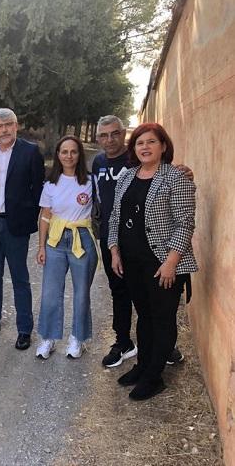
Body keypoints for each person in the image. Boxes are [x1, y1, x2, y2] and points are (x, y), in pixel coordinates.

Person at [108, 122, 197, 401]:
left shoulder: (176, 177)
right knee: (144, 316)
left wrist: (171, 261)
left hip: (163, 264)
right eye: (139, 143)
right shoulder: (127, 176)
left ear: (163, 146)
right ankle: (143, 366)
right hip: (133, 263)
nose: (145, 147)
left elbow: (185, 224)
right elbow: (114, 217)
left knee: (162, 318)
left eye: (151, 142)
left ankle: (154, 377)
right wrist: (114, 250)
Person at [93, 115, 187, 368]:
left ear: (124, 134)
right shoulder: (98, 162)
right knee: (120, 292)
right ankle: (123, 342)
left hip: (150, 244)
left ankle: (165, 348)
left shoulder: (139, 160)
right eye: (103, 135)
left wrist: (184, 171)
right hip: (113, 238)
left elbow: (167, 182)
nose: (109, 139)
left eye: (114, 133)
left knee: (158, 301)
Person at [0, 108, 45, 351]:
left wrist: (29, 217)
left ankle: (24, 329)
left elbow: (38, 191)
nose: (4, 130)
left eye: (8, 124)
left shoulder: (30, 151)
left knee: (19, 278)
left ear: (16, 125)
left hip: (14, 225)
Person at [35, 136, 98, 359]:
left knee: (81, 294)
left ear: (79, 154)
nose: (69, 156)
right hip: (56, 240)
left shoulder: (91, 182)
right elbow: (45, 217)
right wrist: (41, 246)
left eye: (73, 151)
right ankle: (48, 338)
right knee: (51, 292)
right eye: (64, 151)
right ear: (58, 155)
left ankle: (77, 338)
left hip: (81, 239)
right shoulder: (51, 184)